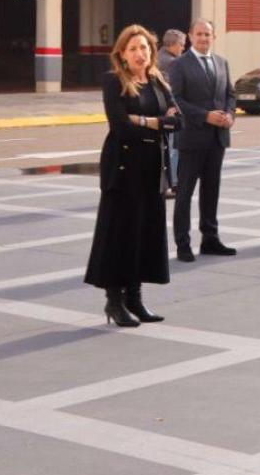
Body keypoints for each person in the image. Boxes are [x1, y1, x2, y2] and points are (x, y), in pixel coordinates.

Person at [84, 24, 177, 328]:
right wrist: (157, 122)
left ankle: (135, 299)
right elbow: (120, 126)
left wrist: (144, 120)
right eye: (134, 48)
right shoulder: (114, 82)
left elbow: (179, 122)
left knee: (145, 234)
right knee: (120, 235)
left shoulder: (158, 82)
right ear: (122, 54)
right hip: (124, 169)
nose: (141, 53)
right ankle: (115, 301)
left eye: (145, 48)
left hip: (153, 167)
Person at [166, 19, 237, 262]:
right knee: (185, 193)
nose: (203, 38)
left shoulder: (222, 62)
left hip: (217, 139)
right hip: (192, 138)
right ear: (189, 37)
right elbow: (175, 100)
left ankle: (210, 239)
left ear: (213, 37)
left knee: (211, 191)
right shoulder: (179, 65)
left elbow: (230, 94)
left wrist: (230, 114)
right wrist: (205, 116)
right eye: (199, 34)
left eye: (207, 34)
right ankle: (183, 244)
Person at [158, 28, 188, 188]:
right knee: (173, 148)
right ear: (174, 44)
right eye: (182, 45)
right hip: (170, 111)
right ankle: (173, 182)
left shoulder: (157, 56)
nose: (183, 48)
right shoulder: (172, 62)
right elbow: (174, 89)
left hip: (158, 111)